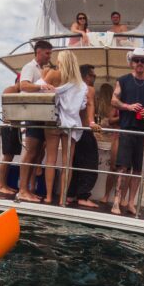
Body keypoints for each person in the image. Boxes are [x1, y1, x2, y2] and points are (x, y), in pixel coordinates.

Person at [110, 48, 144, 215]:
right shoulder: (123, 80)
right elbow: (114, 100)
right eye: (136, 60)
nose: (140, 63)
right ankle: (116, 201)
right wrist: (128, 106)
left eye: (143, 60)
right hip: (127, 130)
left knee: (138, 170)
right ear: (131, 62)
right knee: (123, 167)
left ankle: (130, 202)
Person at [41, 51, 87, 205]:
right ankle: (62, 199)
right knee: (67, 163)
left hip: (53, 122)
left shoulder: (53, 75)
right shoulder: (81, 84)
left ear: (61, 62)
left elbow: (41, 93)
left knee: (51, 160)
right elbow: (81, 106)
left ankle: (48, 196)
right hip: (71, 124)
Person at [16, 40, 55, 202]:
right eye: (47, 53)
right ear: (39, 52)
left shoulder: (41, 70)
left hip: (40, 116)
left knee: (37, 154)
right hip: (32, 116)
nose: (49, 56)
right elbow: (23, 86)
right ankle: (22, 190)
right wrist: (41, 87)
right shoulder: (29, 67)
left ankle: (28, 190)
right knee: (31, 152)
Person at [67, 64, 101, 208]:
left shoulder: (72, 88)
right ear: (85, 76)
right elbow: (90, 105)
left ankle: (70, 195)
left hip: (74, 131)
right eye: (92, 75)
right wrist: (92, 122)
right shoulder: (89, 89)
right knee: (90, 165)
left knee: (75, 164)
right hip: (85, 130)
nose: (94, 78)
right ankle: (82, 196)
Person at [0, 77, 22, 198]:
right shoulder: (10, 90)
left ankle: (4, 185)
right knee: (7, 157)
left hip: (14, 127)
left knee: (10, 157)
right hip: (9, 127)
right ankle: (1, 185)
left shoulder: (17, 92)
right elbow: (6, 110)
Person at [96, 83, 121, 204]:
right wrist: (125, 115)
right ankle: (106, 195)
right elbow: (111, 120)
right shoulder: (116, 104)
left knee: (127, 171)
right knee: (113, 167)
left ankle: (121, 199)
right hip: (116, 137)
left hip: (127, 137)